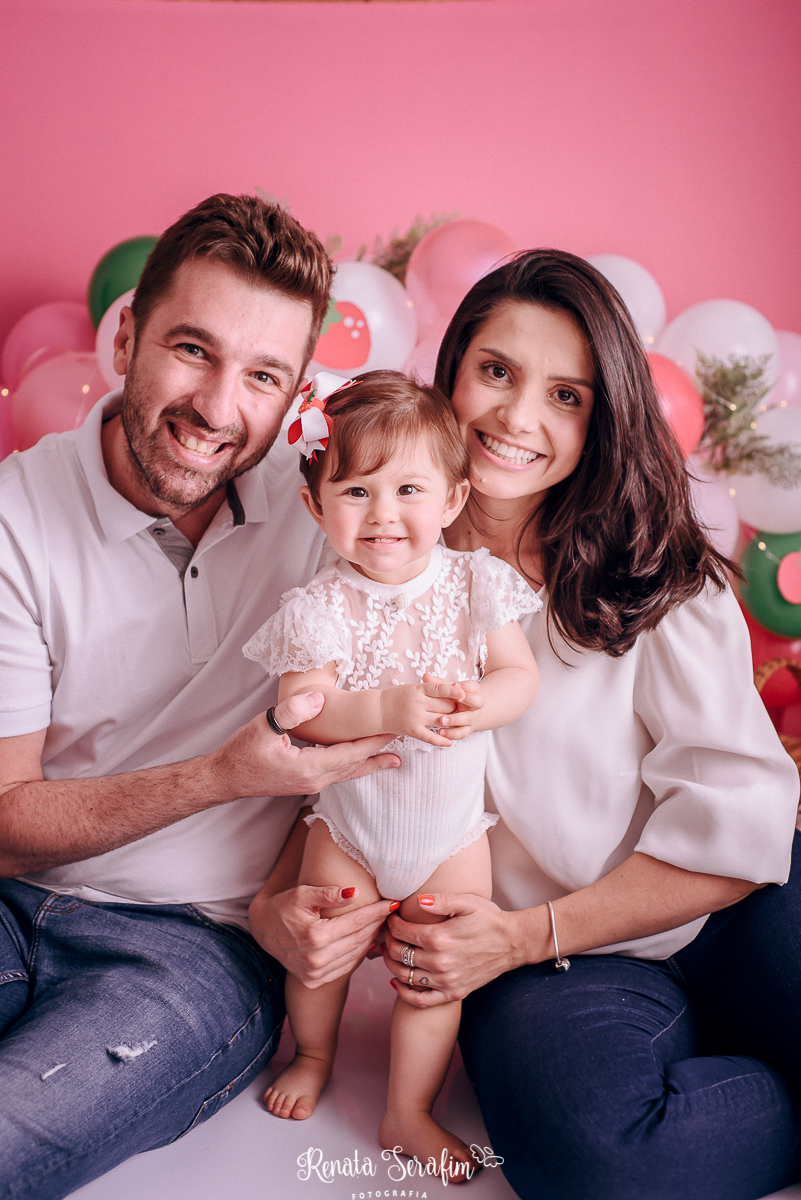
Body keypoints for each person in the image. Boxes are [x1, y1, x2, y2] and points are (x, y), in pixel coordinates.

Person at [367, 250, 801, 1200]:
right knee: (601, 1164)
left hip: (735, 907)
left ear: (600, 421)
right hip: (548, 966)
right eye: (495, 372)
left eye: (566, 395)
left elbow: (741, 834)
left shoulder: (655, 571)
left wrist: (523, 934)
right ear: (448, 376)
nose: (519, 419)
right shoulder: (374, 562)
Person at [0, 194, 401, 1200]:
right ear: (128, 333)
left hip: (193, 953)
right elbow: (4, 824)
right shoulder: (14, 517)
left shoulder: (334, 510)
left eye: (263, 375)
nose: (219, 408)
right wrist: (223, 775)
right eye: (192, 350)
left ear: (297, 390)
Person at [242, 369, 540, 1177]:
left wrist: (485, 702)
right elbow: (305, 710)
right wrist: (386, 709)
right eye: (355, 491)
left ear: (450, 499)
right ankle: (311, 1053)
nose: (382, 514)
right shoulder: (318, 606)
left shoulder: (474, 583)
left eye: (408, 489)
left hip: (449, 836)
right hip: (350, 829)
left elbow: (520, 676)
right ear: (316, 507)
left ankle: (407, 1113)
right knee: (326, 951)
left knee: (432, 976)